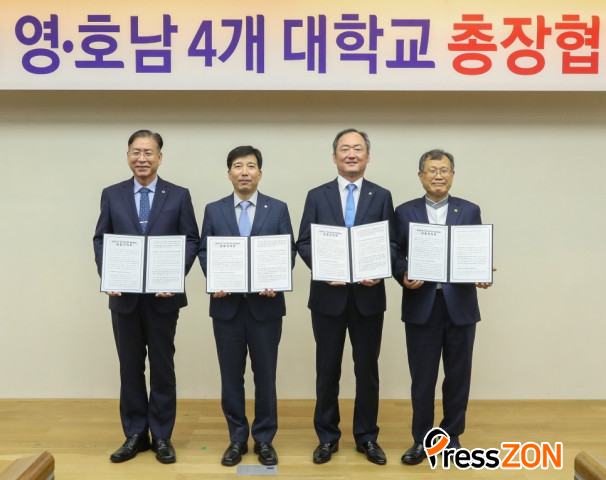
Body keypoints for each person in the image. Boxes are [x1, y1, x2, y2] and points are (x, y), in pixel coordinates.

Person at [93, 130, 200, 464]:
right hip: (124, 297)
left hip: (163, 297)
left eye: (148, 152)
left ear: (160, 157)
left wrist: (174, 276)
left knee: (162, 367)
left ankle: (162, 436)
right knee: (130, 367)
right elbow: (101, 239)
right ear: (128, 156)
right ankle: (135, 434)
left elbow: (191, 240)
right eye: (136, 152)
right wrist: (109, 275)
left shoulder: (179, 195)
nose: (142, 158)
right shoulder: (112, 194)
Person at [296, 128, 394, 465]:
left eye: (358, 148)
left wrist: (380, 269)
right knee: (327, 370)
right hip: (328, 297)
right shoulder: (317, 195)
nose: (351, 154)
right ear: (334, 156)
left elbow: (392, 243)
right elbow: (304, 242)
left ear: (367, 156)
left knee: (367, 371)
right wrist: (324, 269)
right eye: (345, 149)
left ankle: (367, 437)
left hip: (368, 297)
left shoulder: (381, 196)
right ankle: (327, 437)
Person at [393, 149, 494, 465]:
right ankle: (422, 440)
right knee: (422, 379)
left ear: (452, 175)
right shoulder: (404, 212)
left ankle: (451, 438)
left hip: (460, 305)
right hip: (422, 305)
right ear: (421, 176)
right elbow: (395, 252)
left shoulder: (469, 210)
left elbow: (475, 250)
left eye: (444, 170)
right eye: (432, 170)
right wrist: (403, 273)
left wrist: (482, 271)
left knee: (458, 376)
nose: (438, 175)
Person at [198, 146, 296, 467]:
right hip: (226, 308)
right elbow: (204, 251)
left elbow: (287, 251)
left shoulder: (277, 208)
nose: (244, 172)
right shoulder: (214, 210)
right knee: (231, 377)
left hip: (265, 307)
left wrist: (277, 280)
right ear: (229, 173)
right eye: (238, 166)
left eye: (251, 166)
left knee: (265, 376)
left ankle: (264, 439)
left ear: (260, 174)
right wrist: (215, 278)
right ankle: (237, 438)